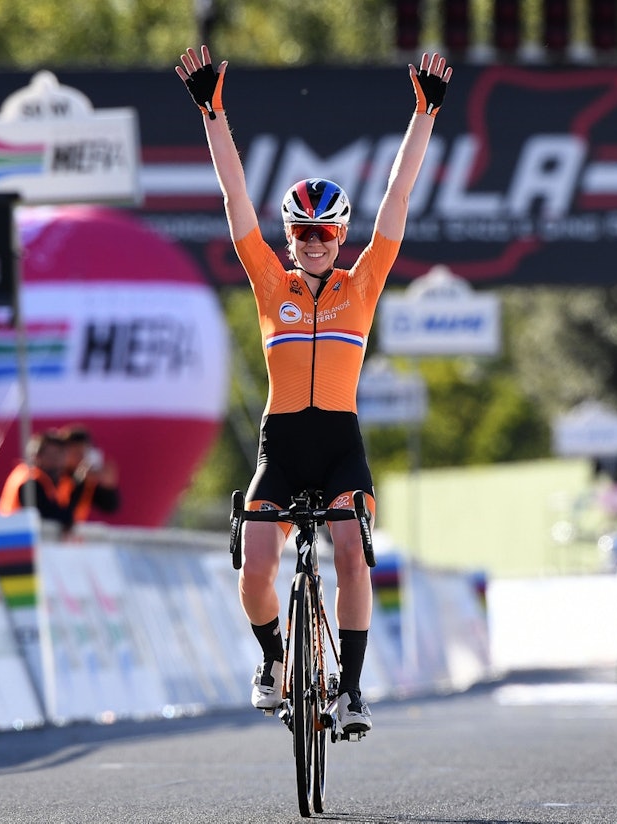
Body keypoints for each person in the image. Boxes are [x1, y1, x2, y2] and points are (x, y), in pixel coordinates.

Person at [176, 44, 452, 735]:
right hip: (282, 445)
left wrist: (423, 114)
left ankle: (351, 691)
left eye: (326, 232)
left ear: (341, 234)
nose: (314, 242)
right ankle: (273, 663)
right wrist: (214, 112)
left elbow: (397, 198)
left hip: (338, 445)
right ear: (291, 238)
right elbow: (234, 195)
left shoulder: (363, 285)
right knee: (255, 566)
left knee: (352, 551)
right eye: (302, 233)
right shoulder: (273, 284)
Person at [0, 430, 78, 532]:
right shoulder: (30, 481)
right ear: (37, 456)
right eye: (51, 456)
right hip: (14, 538)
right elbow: (46, 513)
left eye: (60, 455)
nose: (57, 461)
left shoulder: (55, 480)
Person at [58, 424, 121, 527]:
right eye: (75, 453)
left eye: (83, 453)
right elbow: (63, 506)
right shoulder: (53, 474)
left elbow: (110, 506)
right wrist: (80, 478)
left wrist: (108, 487)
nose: (80, 458)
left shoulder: (87, 479)